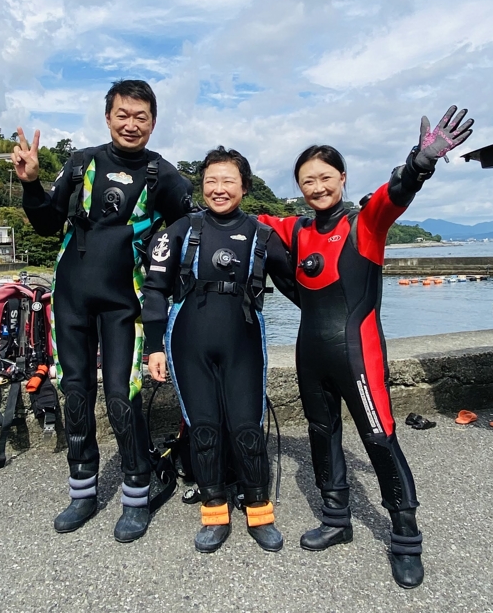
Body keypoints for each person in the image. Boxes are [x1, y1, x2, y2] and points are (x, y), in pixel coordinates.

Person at [258, 106, 473, 589]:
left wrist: (420, 163)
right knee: (320, 432)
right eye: (307, 180)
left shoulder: (364, 224)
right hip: (311, 354)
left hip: (357, 353)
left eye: (325, 177)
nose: (316, 187)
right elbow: (252, 220)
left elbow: (395, 196)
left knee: (379, 439)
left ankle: (405, 537)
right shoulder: (296, 229)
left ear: (342, 178)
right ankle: (336, 520)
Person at [12, 80, 192, 540]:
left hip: (124, 306)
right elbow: (48, 222)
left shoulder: (165, 176)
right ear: (107, 116)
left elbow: (186, 239)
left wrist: (166, 290)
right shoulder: (80, 165)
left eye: (142, 117)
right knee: (75, 394)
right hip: (70, 299)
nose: (131, 124)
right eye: (123, 114)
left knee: (120, 395)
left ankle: (136, 493)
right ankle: (83, 492)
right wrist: (31, 184)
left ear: (153, 122)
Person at [142, 146, 296, 553]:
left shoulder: (263, 235)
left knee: (247, 426)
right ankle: (214, 510)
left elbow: (302, 289)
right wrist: (154, 347)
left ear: (244, 187)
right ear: (203, 185)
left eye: (229, 180)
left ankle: (259, 509)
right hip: (187, 342)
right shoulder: (181, 231)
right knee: (203, 426)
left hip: (243, 344)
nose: (219, 188)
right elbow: (155, 291)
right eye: (211, 180)